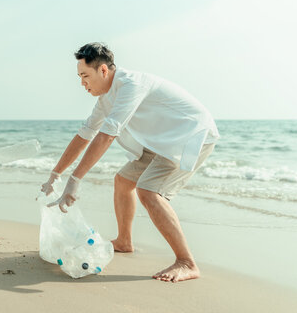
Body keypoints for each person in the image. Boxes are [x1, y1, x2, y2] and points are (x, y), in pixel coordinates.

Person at [41, 42, 219, 283]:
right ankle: (124, 241)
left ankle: (187, 262)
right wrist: (56, 174)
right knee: (124, 181)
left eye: (85, 76)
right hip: (159, 140)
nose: (82, 83)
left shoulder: (131, 85)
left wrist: (75, 180)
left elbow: (107, 135)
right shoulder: (106, 97)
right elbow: (86, 133)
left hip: (189, 136)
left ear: (103, 71)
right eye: (79, 77)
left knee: (149, 191)